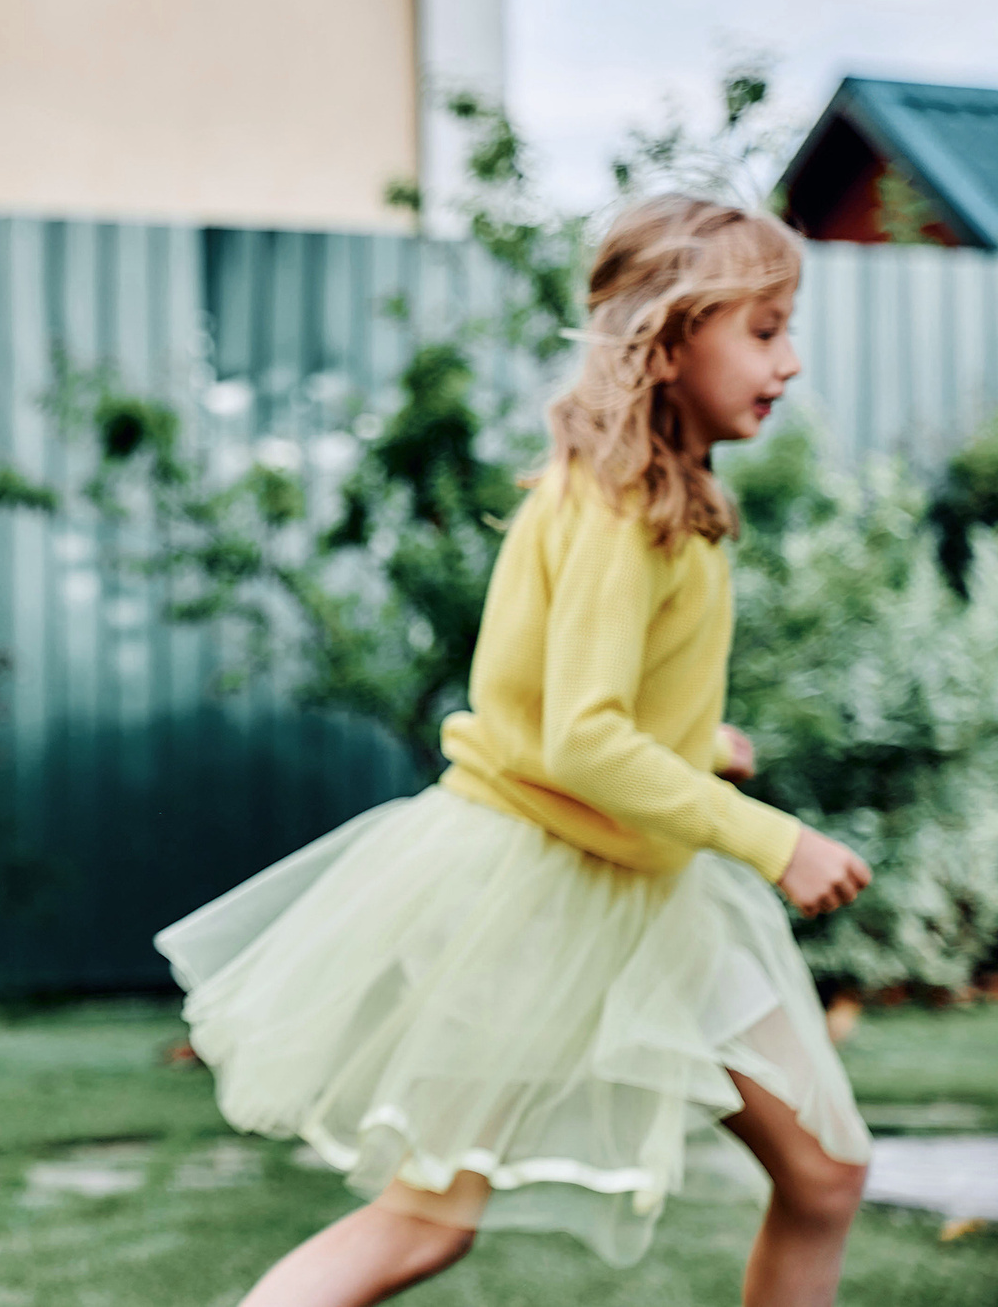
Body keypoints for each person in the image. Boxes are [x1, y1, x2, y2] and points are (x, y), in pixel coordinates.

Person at [156, 194, 875, 1307]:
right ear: (673, 335)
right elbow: (581, 740)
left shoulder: (665, 492)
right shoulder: (617, 501)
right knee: (420, 1223)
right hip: (535, 895)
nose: (788, 361)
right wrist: (775, 841)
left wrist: (692, 742)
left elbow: (585, 702)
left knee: (824, 1174)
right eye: (764, 328)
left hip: (651, 891)